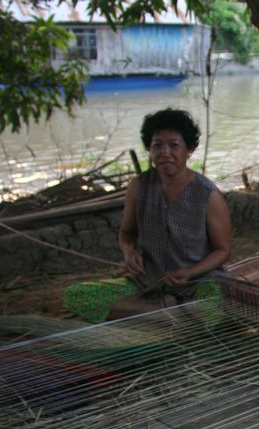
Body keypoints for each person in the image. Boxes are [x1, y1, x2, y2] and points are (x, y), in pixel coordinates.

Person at [64, 108, 232, 322]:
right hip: (149, 282)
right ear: (149, 150)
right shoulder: (139, 186)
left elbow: (223, 251)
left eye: (174, 145)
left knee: (210, 310)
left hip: (200, 282)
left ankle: (153, 313)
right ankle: (160, 311)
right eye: (157, 145)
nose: (165, 153)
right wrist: (129, 252)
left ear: (189, 150)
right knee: (76, 295)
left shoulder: (208, 194)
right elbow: (126, 233)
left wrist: (190, 273)